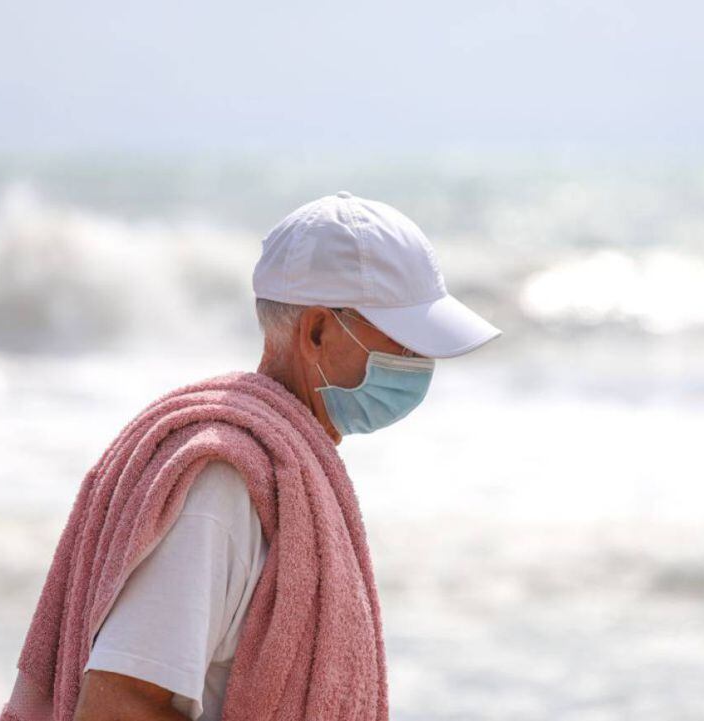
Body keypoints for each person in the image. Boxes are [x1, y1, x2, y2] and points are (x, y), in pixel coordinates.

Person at [73, 190, 501, 721]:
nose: (419, 363)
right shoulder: (222, 485)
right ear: (317, 331)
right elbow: (113, 708)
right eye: (405, 342)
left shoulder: (287, 475)